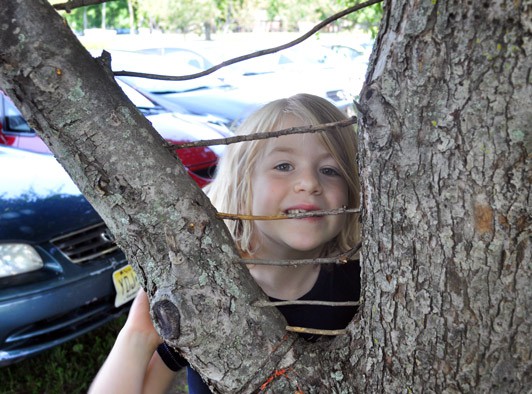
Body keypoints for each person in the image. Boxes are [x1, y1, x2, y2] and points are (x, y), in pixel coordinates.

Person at [89, 93, 361, 393]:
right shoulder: (205, 289)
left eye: (330, 170)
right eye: (284, 166)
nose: (309, 182)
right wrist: (137, 334)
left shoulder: (363, 285)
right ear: (242, 183)